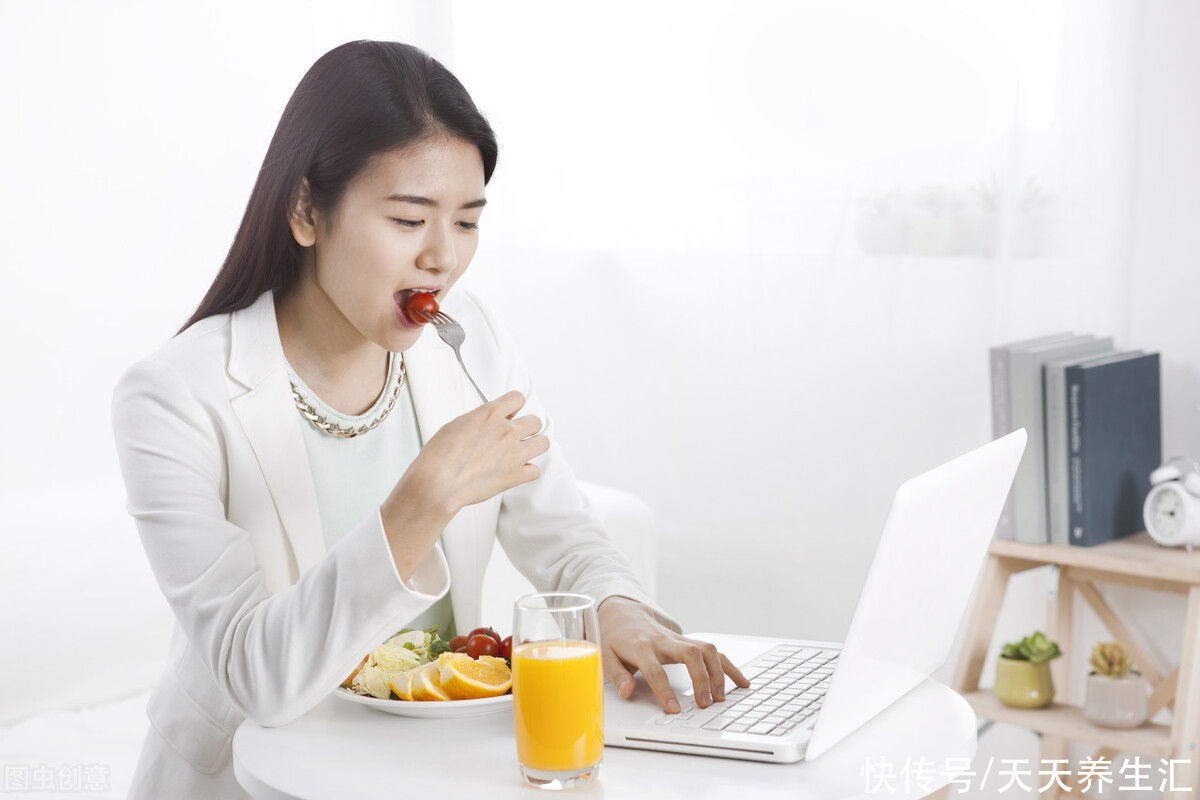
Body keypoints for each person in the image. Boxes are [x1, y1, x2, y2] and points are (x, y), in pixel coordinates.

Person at [111, 40, 748, 798]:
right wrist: (423, 500)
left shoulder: (468, 342)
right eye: (410, 220)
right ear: (308, 210)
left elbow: (566, 535)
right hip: (251, 781)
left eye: (468, 222)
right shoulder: (172, 398)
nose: (442, 259)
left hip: (422, 773)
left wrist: (619, 611)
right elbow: (260, 679)